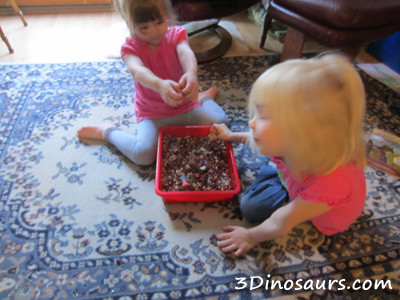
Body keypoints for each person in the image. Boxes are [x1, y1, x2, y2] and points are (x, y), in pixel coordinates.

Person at [213, 54, 367, 256]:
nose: (251, 122)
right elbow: (256, 136)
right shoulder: (302, 144)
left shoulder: (332, 182)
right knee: (264, 166)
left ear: (301, 133)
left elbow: (280, 223)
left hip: (317, 208)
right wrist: (231, 136)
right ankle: (286, 182)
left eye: (264, 116)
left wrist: (250, 236)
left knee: (250, 209)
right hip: (297, 179)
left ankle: (289, 191)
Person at [77, 0, 228, 165]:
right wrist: (159, 85)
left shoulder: (176, 35)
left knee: (223, 124)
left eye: (159, 22)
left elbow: (186, 53)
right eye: (144, 28)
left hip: (185, 106)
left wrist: (191, 74)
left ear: (167, 15)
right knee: (142, 154)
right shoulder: (130, 48)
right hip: (152, 114)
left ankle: (204, 98)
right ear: (130, 24)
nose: (154, 31)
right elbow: (138, 71)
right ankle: (107, 131)